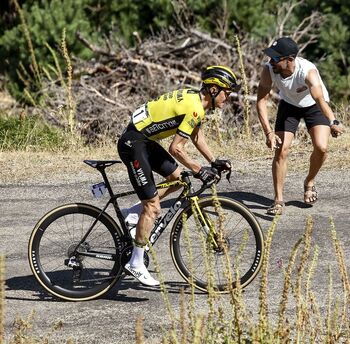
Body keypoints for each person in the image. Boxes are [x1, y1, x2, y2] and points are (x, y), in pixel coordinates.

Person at [117, 66, 239, 286]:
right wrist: (199, 169)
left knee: (178, 178)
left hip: (143, 140)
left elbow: (196, 136)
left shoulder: (195, 101)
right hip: (133, 143)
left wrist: (213, 161)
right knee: (153, 207)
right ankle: (135, 262)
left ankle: (134, 213)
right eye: (226, 92)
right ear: (213, 89)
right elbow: (176, 149)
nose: (227, 98)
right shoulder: (195, 107)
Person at [256, 37, 343, 215]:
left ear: (289, 59)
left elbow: (319, 99)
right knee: (281, 149)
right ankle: (278, 200)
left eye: (275, 58)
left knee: (322, 147)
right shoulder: (269, 70)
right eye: (271, 58)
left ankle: (309, 182)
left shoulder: (308, 71)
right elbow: (260, 101)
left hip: (314, 106)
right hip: (289, 105)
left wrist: (333, 121)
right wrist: (268, 132)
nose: (271, 61)